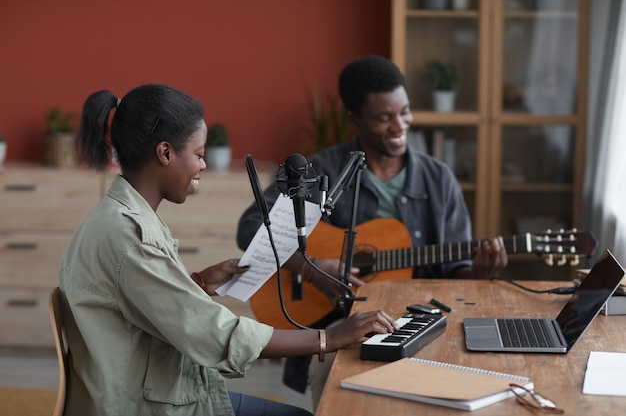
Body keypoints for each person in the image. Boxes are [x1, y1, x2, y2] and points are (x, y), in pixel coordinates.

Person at [59, 83, 399, 416]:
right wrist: (329, 337)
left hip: (149, 388)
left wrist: (197, 284)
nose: (203, 166)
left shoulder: (119, 215)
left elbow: (139, 305)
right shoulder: (131, 236)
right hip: (142, 405)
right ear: (165, 153)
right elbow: (213, 334)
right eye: (199, 155)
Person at [236, 55, 508, 409]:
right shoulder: (322, 170)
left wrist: (481, 272)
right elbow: (251, 226)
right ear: (355, 119)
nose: (399, 125)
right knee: (346, 399)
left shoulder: (438, 179)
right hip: (341, 329)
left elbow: (455, 270)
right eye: (384, 117)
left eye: (405, 112)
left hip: (424, 325)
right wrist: (310, 268)